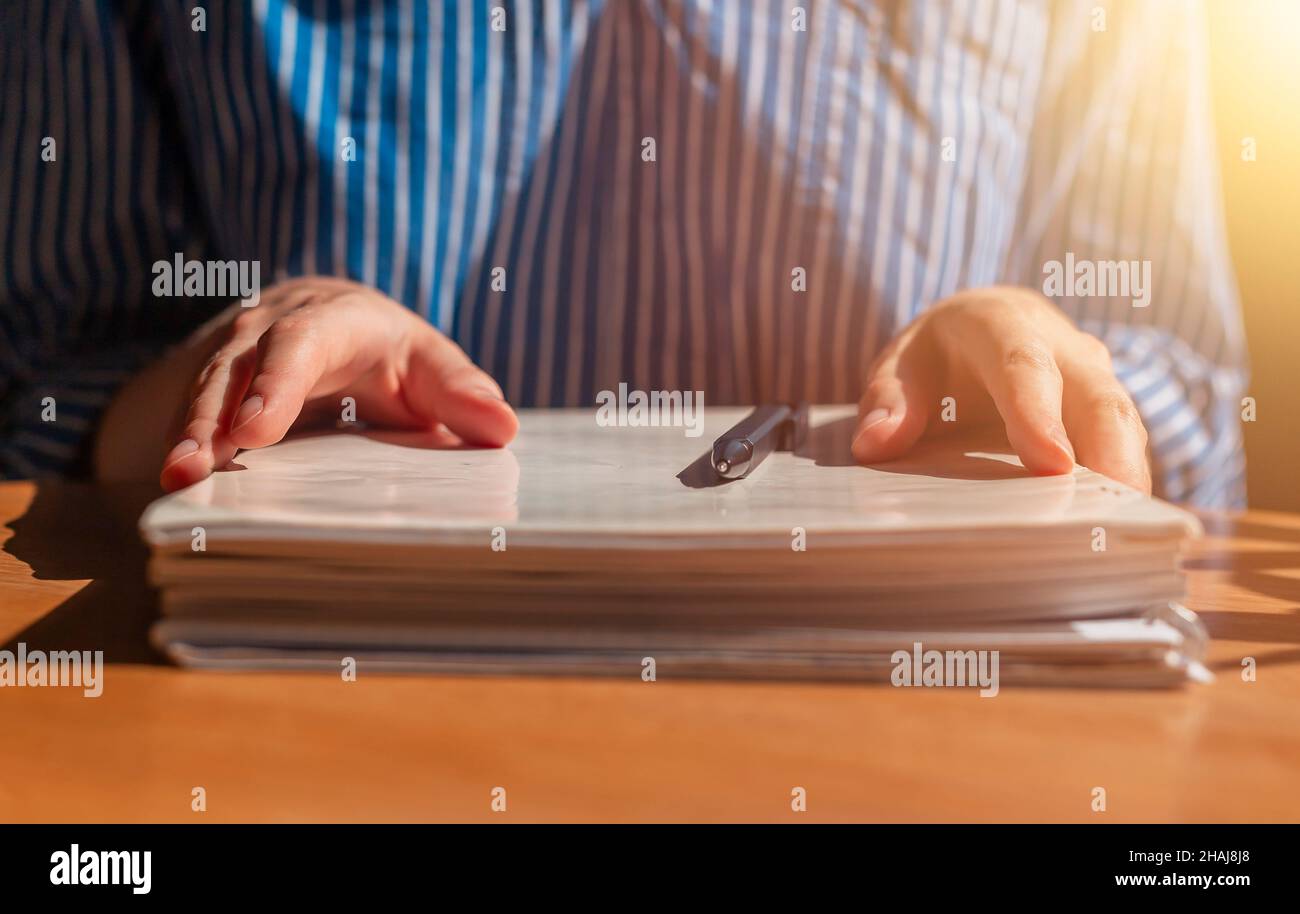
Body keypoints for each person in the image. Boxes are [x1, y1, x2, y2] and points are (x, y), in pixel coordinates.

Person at [0, 0, 1248, 505]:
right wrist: (225, 370)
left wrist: (1044, 370)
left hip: (910, 734)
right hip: (310, 726)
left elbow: (1186, 400)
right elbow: (42, 385)